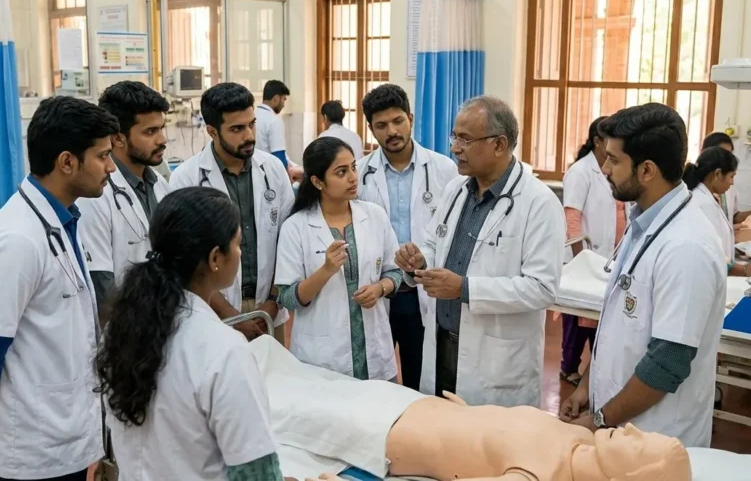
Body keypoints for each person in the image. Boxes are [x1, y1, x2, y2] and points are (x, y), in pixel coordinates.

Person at [0, 97, 119, 481]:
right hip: (32, 450)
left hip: (61, 435)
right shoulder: (17, 240)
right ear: (67, 162)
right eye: (103, 156)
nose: (111, 167)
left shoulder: (60, 221)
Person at [248, 335, 692, 481]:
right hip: (411, 404)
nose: (632, 430)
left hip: (385, 433)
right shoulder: (581, 436)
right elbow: (507, 425)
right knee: (301, 380)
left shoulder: (539, 475)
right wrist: (468, 414)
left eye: (639, 445)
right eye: (642, 432)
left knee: (275, 400)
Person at [95, 188, 293, 481]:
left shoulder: (121, 329)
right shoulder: (222, 349)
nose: (240, 253)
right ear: (216, 257)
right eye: (238, 244)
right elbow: (255, 472)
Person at [560, 103, 726, 448]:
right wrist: (587, 387)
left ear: (647, 170)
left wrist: (600, 419)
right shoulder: (643, 223)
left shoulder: (687, 246)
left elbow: (668, 362)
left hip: (657, 437)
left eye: (614, 161)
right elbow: (620, 326)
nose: (604, 169)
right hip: (619, 426)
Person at [395, 96, 565, 407]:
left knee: (487, 449)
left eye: (465, 139)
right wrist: (418, 261)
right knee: (440, 440)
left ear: (499, 144)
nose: (454, 148)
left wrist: (465, 289)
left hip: (495, 360)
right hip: (441, 342)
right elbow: (434, 243)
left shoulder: (539, 204)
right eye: (454, 136)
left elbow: (542, 288)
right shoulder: (456, 190)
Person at [170, 82, 294, 342]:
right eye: (237, 129)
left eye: (251, 124)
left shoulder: (272, 170)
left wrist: (273, 302)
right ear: (212, 131)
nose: (249, 135)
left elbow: (288, 242)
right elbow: (186, 260)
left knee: (276, 379)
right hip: (214, 313)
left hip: (269, 310)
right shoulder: (187, 179)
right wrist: (231, 316)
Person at [274, 137, 405, 381]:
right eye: (341, 172)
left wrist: (380, 288)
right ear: (317, 181)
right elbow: (287, 297)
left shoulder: (374, 216)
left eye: (353, 167)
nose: (353, 177)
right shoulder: (297, 227)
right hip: (322, 358)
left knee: (380, 414)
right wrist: (326, 270)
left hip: (375, 352)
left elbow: (396, 272)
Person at [356, 83, 457, 390]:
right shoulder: (360, 174)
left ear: (410, 118)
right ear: (371, 129)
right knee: (377, 380)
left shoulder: (444, 169)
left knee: (420, 377)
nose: (392, 131)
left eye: (398, 121)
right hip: (379, 290)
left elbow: (450, 233)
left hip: (423, 290)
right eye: (381, 125)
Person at [78, 81, 171, 324]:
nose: (162, 139)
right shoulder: (96, 196)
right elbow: (102, 286)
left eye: (162, 128)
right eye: (150, 132)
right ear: (117, 139)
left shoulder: (159, 184)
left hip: (161, 322)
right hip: (125, 335)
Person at [559, 116, 627, 386]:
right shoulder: (581, 171)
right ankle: (568, 367)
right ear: (598, 141)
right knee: (577, 318)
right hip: (586, 256)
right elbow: (572, 217)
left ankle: (592, 372)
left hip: (610, 254)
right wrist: (581, 260)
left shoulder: (612, 170)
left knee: (599, 318)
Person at [684, 146, 751, 277]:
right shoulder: (703, 203)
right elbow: (710, 251)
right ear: (718, 174)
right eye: (731, 176)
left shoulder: (707, 198)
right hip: (710, 275)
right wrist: (745, 270)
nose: (732, 182)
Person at [701, 132, 751, 225]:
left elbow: (733, 216)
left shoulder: (728, 184)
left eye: (730, 155)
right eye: (724, 155)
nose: (728, 160)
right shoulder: (698, 192)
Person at [256, 79, 291, 168]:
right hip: (269, 172)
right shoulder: (274, 120)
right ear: (276, 99)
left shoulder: (252, 115)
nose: (283, 105)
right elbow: (279, 156)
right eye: (284, 99)